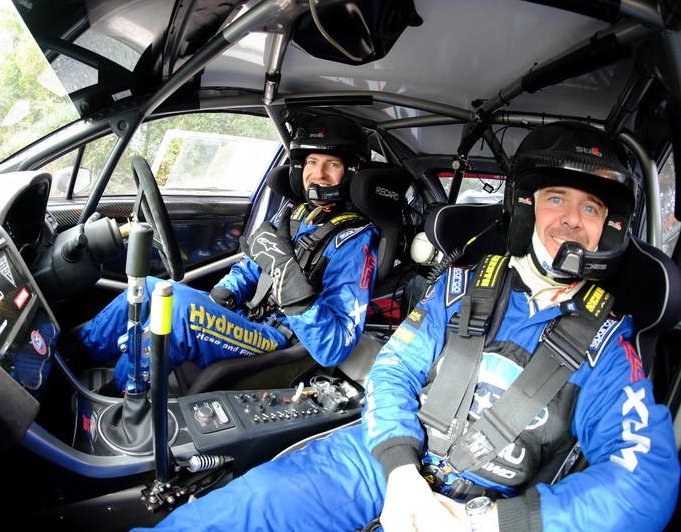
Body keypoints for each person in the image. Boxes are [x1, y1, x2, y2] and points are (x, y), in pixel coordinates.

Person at [134, 122, 679, 531]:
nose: (571, 220)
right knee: (246, 506)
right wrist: (400, 470)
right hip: (385, 460)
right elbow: (394, 369)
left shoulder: (609, 348)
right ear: (524, 209)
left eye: (591, 209)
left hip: (493, 505)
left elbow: (645, 484)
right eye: (556, 199)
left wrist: (486, 523)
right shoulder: (462, 285)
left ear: (608, 230)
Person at [75, 115, 380, 393]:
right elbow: (250, 269)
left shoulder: (355, 241)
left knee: (179, 310)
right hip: (246, 318)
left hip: (280, 338)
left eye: (332, 165)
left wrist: (287, 277)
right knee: (149, 288)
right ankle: (72, 356)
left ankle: (121, 397)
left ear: (351, 172)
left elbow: (335, 347)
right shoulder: (293, 214)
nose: (318, 174)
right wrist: (224, 292)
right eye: (312, 162)